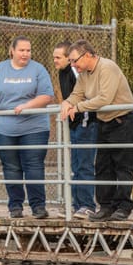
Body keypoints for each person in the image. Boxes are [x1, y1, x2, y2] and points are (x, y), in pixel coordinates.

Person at [0, 35, 54, 219]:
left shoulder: (38, 70)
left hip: (34, 127)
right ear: (12, 51)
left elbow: (47, 96)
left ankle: (38, 207)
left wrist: (25, 107)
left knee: (34, 166)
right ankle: (15, 206)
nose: (25, 54)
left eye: (28, 50)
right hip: (4, 129)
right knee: (11, 167)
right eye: (21, 50)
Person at [60, 39, 133, 222]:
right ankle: (106, 206)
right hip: (103, 121)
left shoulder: (106, 68)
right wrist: (67, 102)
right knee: (102, 166)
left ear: (87, 55)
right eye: (70, 61)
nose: (73, 65)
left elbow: (105, 98)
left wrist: (77, 108)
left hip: (121, 120)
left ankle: (123, 206)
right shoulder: (84, 74)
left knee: (122, 166)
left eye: (74, 60)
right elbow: (77, 93)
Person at [53, 41, 98, 220]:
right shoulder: (63, 72)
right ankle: (77, 204)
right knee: (75, 164)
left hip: (85, 122)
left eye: (59, 57)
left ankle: (87, 204)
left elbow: (83, 93)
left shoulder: (75, 70)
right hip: (74, 124)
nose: (55, 61)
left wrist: (77, 109)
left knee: (84, 164)